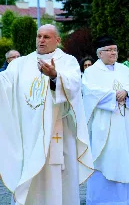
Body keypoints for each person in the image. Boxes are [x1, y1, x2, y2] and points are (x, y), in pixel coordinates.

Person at [0, 24, 94, 205]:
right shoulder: (21, 63)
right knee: (30, 181)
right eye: (39, 36)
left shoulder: (67, 61)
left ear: (57, 40)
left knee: (58, 185)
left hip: (57, 135)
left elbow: (74, 87)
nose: (41, 40)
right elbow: (5, 83)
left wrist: (54, 77)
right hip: (29, 135)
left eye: (46, 37)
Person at [83, 36, 129, 205]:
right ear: (99, 53)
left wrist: (127, 91)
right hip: (105, 125)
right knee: (106, 159)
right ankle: (103, 200)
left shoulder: (124, 70)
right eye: (109, 50)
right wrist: (113, 96)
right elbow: (90, 93)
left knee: (127, 157)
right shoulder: (91, 72)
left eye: (115, 50)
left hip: (125, 124)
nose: (113, 53)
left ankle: (127, 199)